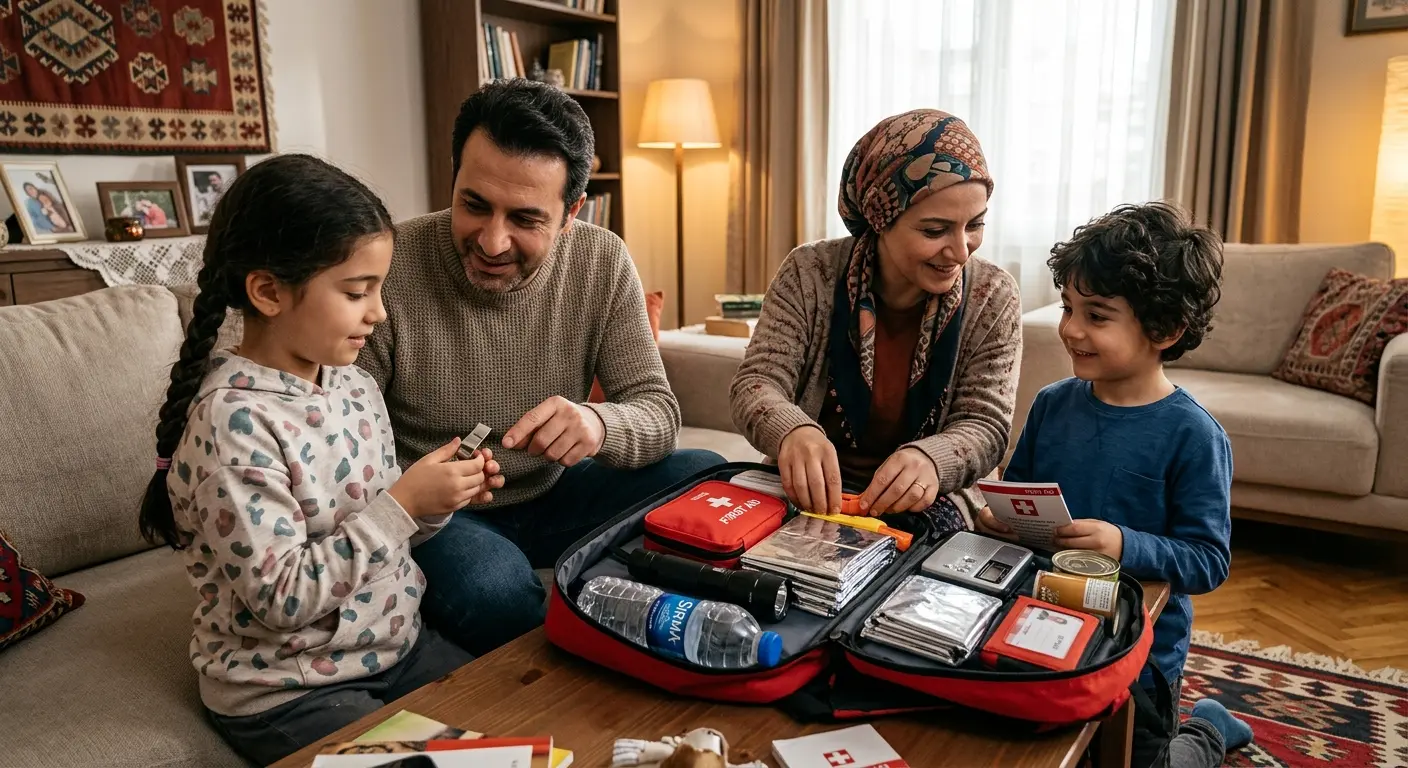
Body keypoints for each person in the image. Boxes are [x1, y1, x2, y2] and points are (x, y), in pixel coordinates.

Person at [136, 154, 491, 765]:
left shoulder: (355, 385)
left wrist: (436, 501)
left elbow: (383, 534)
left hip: (398, 650)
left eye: (379, 289)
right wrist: (403, 505)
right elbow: (284, 600)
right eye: (358, 292)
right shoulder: (233, 424)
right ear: (268, 291)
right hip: (288, 690)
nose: (378, 313)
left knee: (527, 734)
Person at [358, 78, 724, 656]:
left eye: (525, 218)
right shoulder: (390, 265)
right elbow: (346, 445)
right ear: (452, 179)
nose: (492, 240)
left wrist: (599, 426)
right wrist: (424, 488)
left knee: (709, 475)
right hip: (441, 514)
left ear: (572, 212)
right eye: (474, 204)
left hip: (558, 493)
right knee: (494, 590)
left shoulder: (602, 260)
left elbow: (658, 414)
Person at [977, 202, 1251, 768]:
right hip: (1041, 622)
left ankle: (1206, 733)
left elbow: (1207, 560)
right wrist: (1000, 516)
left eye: (1097, 316)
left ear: (1165, 329)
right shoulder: (1053, 404)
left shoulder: (1194, 436)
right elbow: (1021, 492)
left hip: (1139, 655)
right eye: (1069, 307)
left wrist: (1123, 545)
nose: (1071, 328)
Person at [729, 109, 1021, 531]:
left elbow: (987, 424)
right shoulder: (808, 271)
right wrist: (792, 431)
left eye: (975, 225)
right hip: (807, 492)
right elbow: (756, 384)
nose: (961, 250)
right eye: (935, 230)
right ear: (881, 220)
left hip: (931, 502)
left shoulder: (993, 294)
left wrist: (932, 458)